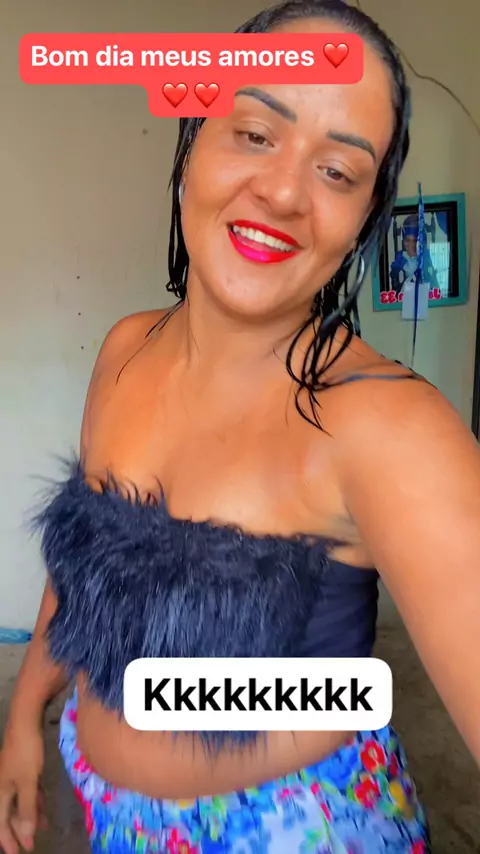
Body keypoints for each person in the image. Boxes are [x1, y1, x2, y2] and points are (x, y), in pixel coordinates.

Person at [1, 1, 479, 852]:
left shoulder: (393, 427)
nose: (285, 192)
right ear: (194, 140)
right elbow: (87, 563)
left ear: (364, 220)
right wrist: (25, 713)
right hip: (109, 818)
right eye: (256, 133)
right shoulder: (124, 349)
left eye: (339, 172)